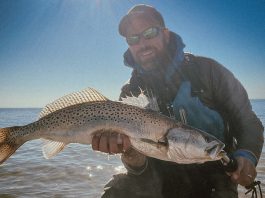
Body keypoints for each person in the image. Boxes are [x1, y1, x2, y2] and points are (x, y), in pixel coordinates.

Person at [92, 4, 264, 198]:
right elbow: (138, 168)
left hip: (214, 179)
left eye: (149, 32)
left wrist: (247, 154)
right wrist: (133, 158)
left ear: (165, 33)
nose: (142, 43)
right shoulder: (129, 92)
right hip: (156, 181)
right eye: (133, 38)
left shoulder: (209, 71)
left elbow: (248, 120)